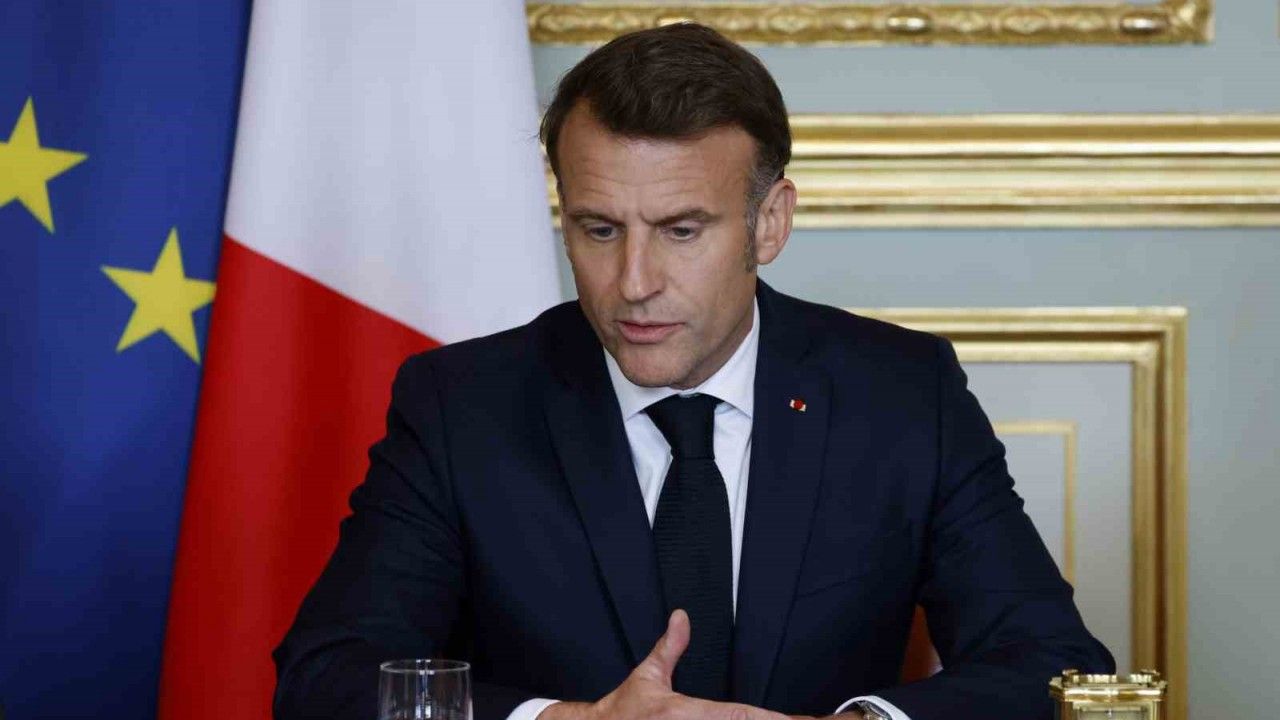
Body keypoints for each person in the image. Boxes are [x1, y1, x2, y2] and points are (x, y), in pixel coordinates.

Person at [273, 22, 1113, 720]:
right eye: (599, 229)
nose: (634, 282)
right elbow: (326, 678)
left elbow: (1055, 664)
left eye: (681, 231)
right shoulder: (463, 407)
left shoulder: (901, 393)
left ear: (769, 223)